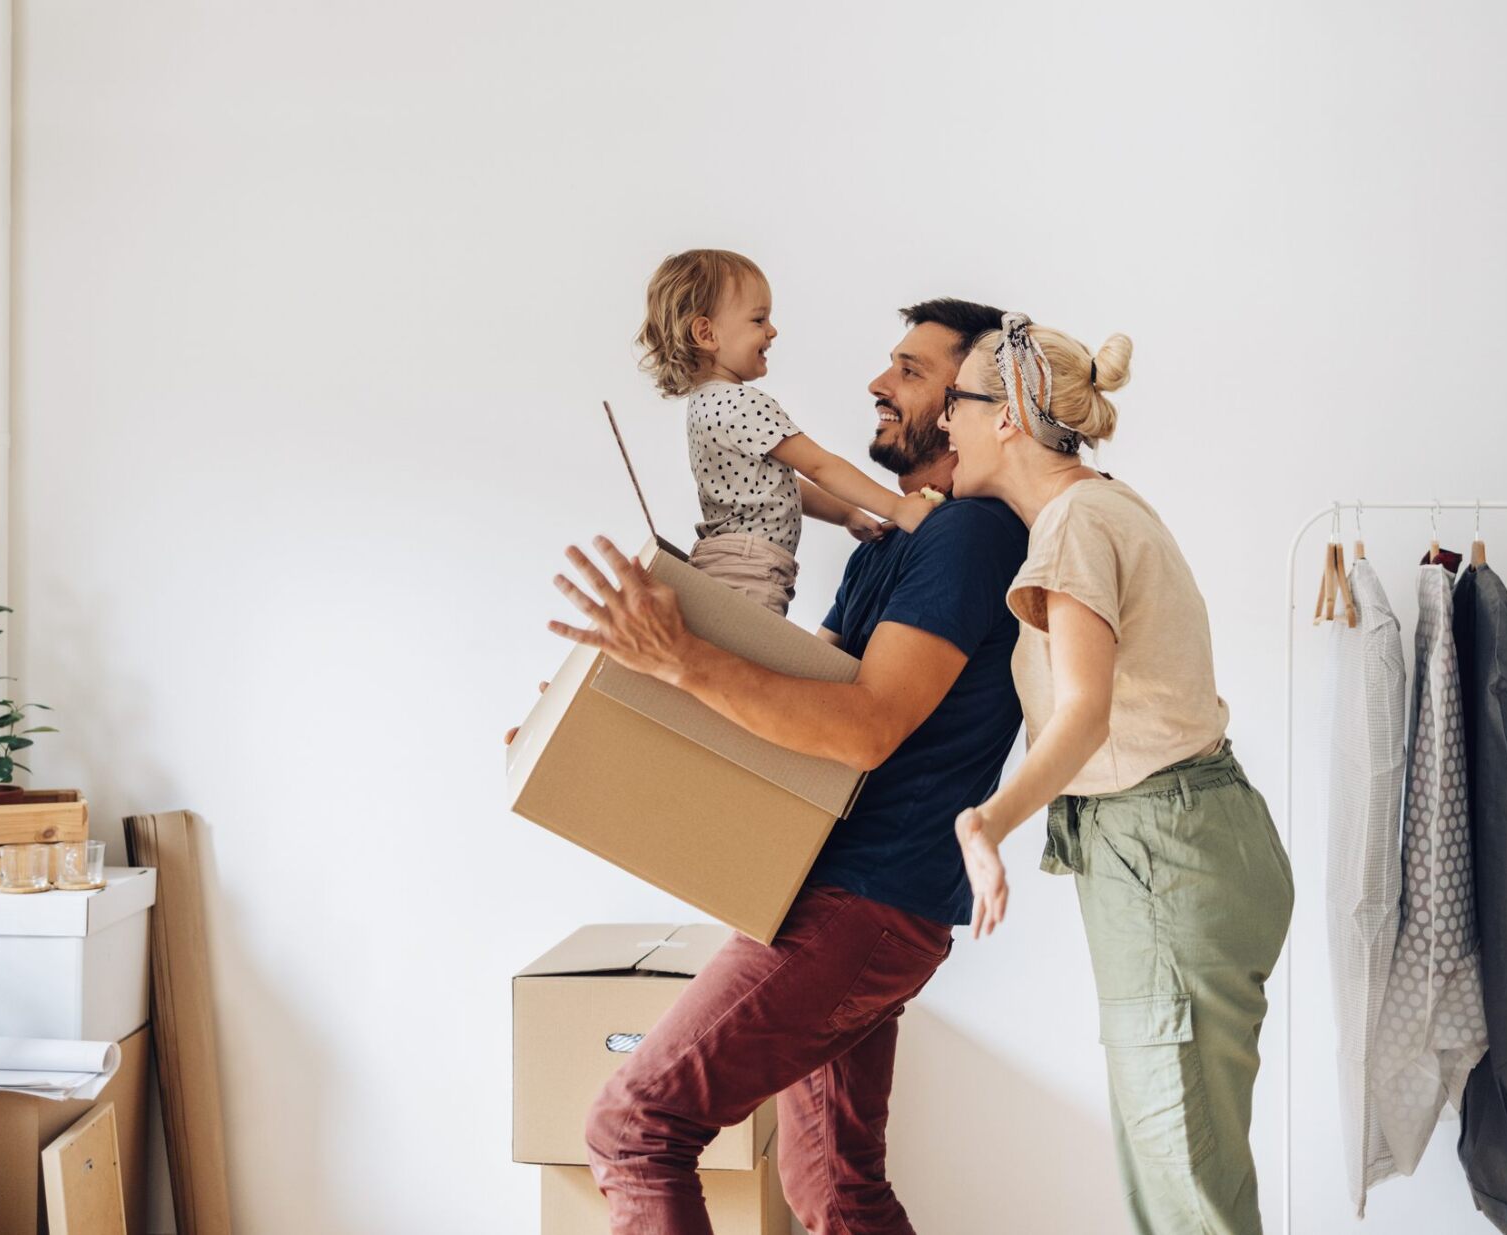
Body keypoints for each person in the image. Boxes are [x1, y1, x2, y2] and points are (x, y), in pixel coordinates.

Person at [541, 298, 1024, 1234]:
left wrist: (679, 656)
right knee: (835, 1188)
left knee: (636, 1126)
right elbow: (784, 705)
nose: (880, 385)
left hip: (863, 903)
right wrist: (595, 702)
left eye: (913, 373)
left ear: (978, 407)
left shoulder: (973, 536)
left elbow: (862, 729)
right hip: (846, 896)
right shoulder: (894, 541)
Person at [939, 313, 1294, 1235]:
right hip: (1190, 844)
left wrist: (989, 820)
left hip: (1165, 857)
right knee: (1191, 1176)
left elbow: (1082, 709)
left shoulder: (1072, 526)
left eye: (957, 404)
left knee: (1185, 1197)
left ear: (1009, 412)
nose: (946, 424)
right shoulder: (1107, 505)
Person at [636, 249, 941, 614]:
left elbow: (779, 484)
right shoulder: (742, 403)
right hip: (751, 571)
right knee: (750, 662)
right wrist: (897, 507)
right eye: (758, 319)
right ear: (706, 333)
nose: (772, 330)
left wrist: (846, 514)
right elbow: (819, 466)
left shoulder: (705, 405)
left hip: (724, 563)